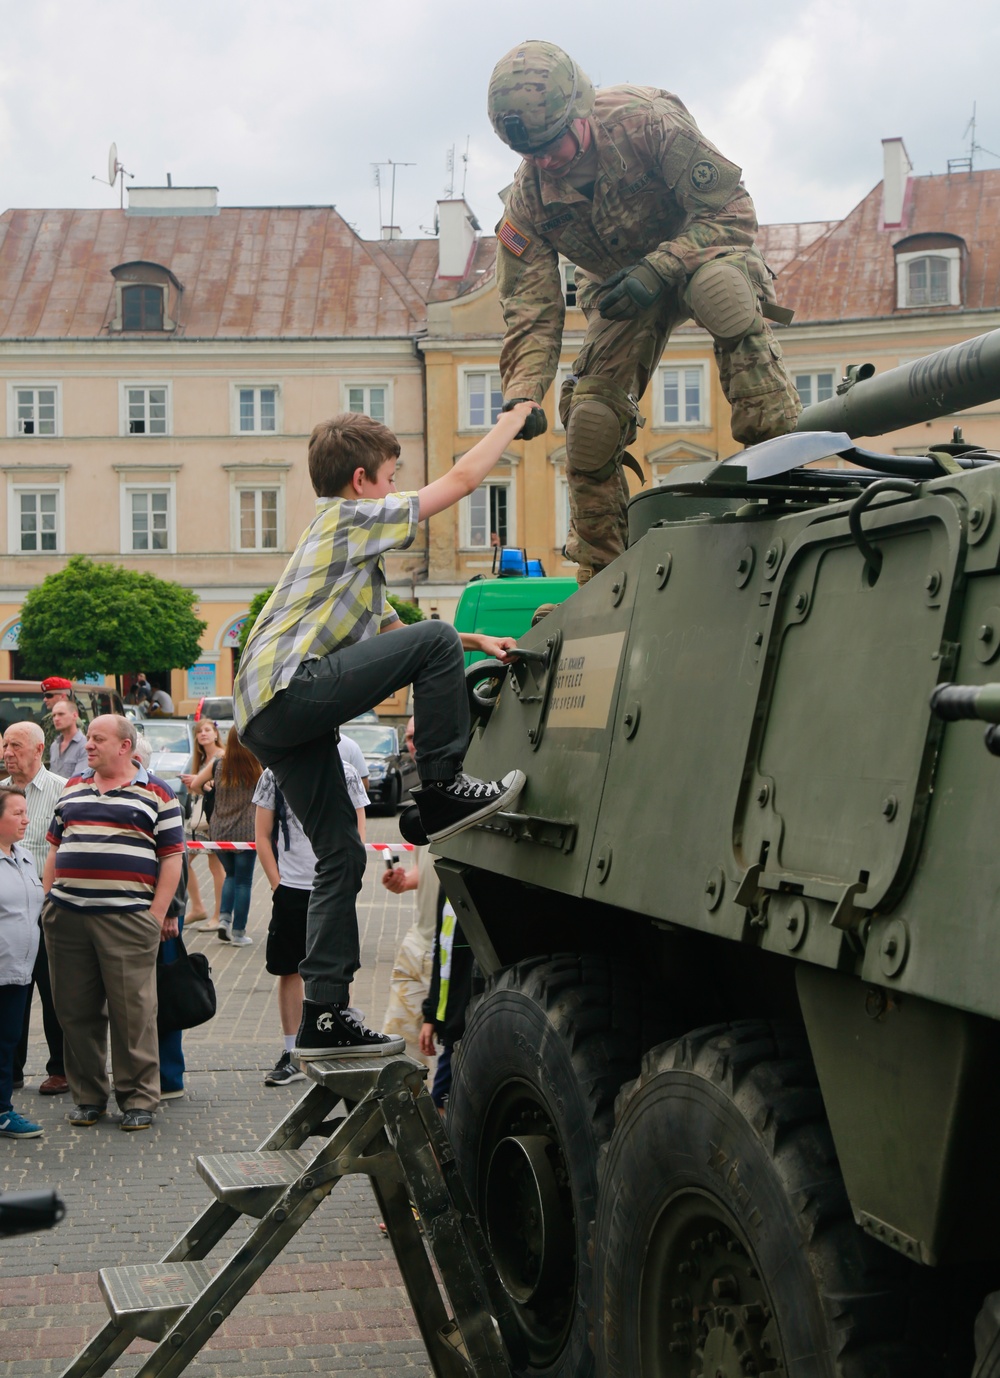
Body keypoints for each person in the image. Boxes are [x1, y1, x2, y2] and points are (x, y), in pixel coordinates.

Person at [235, 406, 533, 1059]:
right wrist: (513, 418)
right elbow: (458, 481)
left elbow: (399, 639)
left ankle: (324, 1013)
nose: (399, 488)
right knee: (434, 641)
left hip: (267, 718)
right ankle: (444, 788)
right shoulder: (347, 517)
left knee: (341, 852)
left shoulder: (352, 565)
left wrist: (475, 640)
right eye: (394, 477)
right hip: (288, 691)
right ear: (365, 479)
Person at [487, 40, 802, 583]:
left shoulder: (644, 122)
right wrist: (521, 395)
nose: (543, 162)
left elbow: (733, 211)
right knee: (589, 419)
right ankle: (604, 574)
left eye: (550, 145)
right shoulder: (528, 201)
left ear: (578, 113)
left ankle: (780, 474)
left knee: (724, 297)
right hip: (619, 293)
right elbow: (531, 308)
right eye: (529, 153)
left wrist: (659, 266)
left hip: (701, 251)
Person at [42, 715, 183, 1132]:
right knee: (74, 1013)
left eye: (98, 739)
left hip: (128, 921)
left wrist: (155, 915)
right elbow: (55, 845)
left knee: (133, 1013)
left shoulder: (157, 792)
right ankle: (88, 1098)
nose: (88, 746)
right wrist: (49, 899)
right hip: (67, 919)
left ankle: (138, 1099)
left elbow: (172, 857)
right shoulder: (72, 787)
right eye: (88, 739)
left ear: (125, 746)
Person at [254, 760, 368, 1086]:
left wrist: (349, 877)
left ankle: (336, 1041)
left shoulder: (343, 770)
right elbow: (262, 835)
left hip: (333, 886)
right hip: (292, 887)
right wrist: (278, 885)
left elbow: (358, 829)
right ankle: (293, 1052)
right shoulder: (274, 773)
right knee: (289, 969)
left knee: (337, 966)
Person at [1, 721, 68, 1097]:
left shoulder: (61, 792)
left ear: (39, 750)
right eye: (5, 746)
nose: (8, 753)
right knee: (12, 991)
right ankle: (10, 1071)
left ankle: (60, 1068)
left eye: (16, 746)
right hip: (8, 914)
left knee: (54, 991)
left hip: (50, 912)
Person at [132, 732, 188, 1101]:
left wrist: (171, 912)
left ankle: (169, 1076)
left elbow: (177, 858)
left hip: (160, 912)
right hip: (127, 911)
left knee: (165, 994)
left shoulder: (160, 791)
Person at [0, 787, 45, 1139]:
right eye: (17, 813)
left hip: (19, 970)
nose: (25, 820)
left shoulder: (26, 857)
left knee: (8, 1040)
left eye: (25, 812)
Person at [419, 894, 474, 1114]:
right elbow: (441, 951)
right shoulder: (447, 886)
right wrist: (430, 1015)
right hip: (451, 1028)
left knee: (440, 1106)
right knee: (441, 1105)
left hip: (465, 1027)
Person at [207, 729, 261, 946]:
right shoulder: (256, 766)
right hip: (247, 832)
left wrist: (206, 786)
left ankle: (224, 919)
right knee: (244, 882)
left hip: (220, 830)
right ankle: (238, 933)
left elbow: (195, 785)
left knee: (230, 875)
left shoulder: (218, 765)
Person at [180, 719, 227, 931]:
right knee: (183, 861)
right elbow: (197, 791)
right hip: (199, 818)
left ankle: (218, 915)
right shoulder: (199, 759)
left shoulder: (221, 756)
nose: (203, 734)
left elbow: (222, 788)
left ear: (216, 734)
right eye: (199, 731)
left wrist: (199, 781)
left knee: (215, 866)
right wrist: (194, 782)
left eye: (208, 730)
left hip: (214, 817)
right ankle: (198, 907)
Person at [48, 698, 87, 780]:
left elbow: (79, 779)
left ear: (75, 715)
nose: (56, 719)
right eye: (54, 715)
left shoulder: (85, 745)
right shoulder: (54, 746)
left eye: (61, 714)